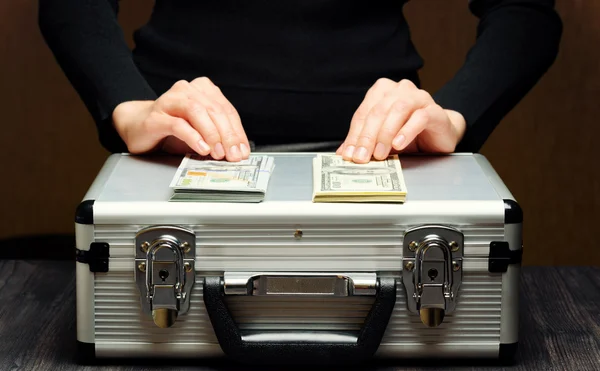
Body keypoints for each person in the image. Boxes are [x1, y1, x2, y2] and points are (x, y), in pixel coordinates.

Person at [38, 0, 562, 164]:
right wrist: (128, 107)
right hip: (175, 152)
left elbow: (525, 10)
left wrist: (455, 113)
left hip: (388, 157)